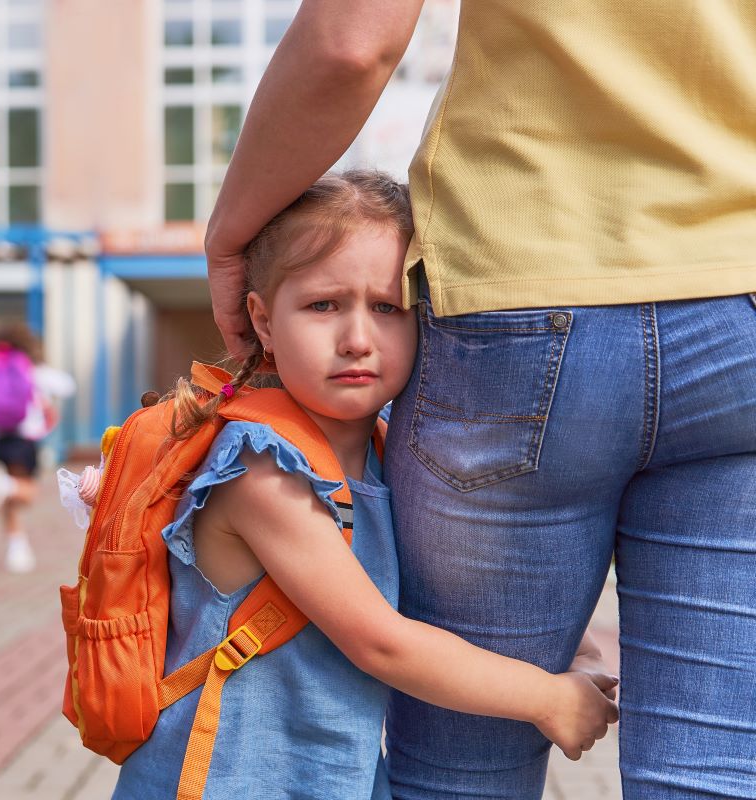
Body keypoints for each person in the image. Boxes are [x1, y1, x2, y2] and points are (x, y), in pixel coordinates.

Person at [204, 3, 756, 797]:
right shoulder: (265, 470)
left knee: (466, 771)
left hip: (525, 283)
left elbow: (351, 43)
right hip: (736, 297)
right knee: (717, 769)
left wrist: (232, 233)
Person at [108, 171, 617, 799]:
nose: (356, 339)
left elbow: (455, 588)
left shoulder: (386, 455)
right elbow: (381, 643)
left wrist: (579, 650)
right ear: (263, 322)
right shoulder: (264, 470)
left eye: (387, 308)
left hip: (334, 780)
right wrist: (546, 699)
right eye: (323, 305)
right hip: (224, 781)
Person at [0, 318, 74, 573]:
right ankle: (4, 490)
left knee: (9, 500)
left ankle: (17, 548)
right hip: (24, 439)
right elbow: (66, 386)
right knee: (27, 493)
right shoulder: (32, 368)